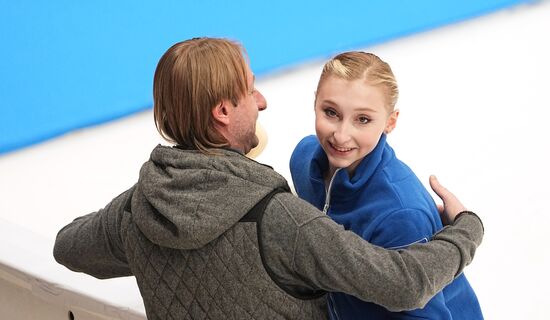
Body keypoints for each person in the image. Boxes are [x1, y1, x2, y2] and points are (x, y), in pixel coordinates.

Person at [54, 38, 484, 320]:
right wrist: (467, 229)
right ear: (223, 112)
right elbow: (404, 284)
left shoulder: (137, 209)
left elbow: (69, 248)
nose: (261, 101)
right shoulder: (277, 219)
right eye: (250, 89)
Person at [290, 51, 483, 319]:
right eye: (331, 112)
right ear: (315, 104)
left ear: (390, 122)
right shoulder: (303, 160)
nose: (341, 134)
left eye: (363, 119)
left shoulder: (399, 213)